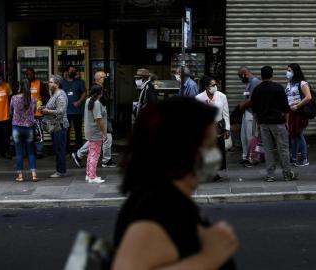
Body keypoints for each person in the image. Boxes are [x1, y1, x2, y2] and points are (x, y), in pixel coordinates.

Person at [112, 97, 238, 270]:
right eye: (209, 146)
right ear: (184, 149)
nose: (215, 155)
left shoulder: (170, 199)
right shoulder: (155, 210)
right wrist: (209, 258)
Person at [251, 66, 298, 182]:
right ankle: (287, 174)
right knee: (283, 149)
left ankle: (270, 175)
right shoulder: (278, 88)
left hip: (263, 124)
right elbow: (286, 108)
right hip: (278, 123)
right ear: (272, 75)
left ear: (261, 76)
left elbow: (255, 110)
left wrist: (258, 123)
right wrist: (286, 122)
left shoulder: (257, 90)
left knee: (268, 149)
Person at [71, 71, 117, 168]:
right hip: (99, 117)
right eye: (102, 77)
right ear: (97, 79)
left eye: (105, 77)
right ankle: (105, 160)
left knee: (99, 139)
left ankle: (79, 155)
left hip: (102, 116)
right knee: (105, 138)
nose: (105, 79)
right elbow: (98, 105)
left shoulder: (103, 88)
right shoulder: (96, 89)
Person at [196, 77, 230, 180]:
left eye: (216, 84)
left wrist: (227, 129)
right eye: (213, 85)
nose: (215, 87)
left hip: (218, 128)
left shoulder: (222, 96)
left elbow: (226, 114)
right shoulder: (198, 98)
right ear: (206, 87)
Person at [39, 75, 69, 178]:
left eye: (51, 82)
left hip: (60, 126)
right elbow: (53, 106)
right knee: (58, 149)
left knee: (60, 149)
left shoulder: (60, 95)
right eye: (49, 82)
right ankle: (60, 170)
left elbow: (61, 111)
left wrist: (47, 111)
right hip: (55, 126)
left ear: (57, 84)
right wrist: (44, 107)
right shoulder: (54, 94)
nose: (49, 84)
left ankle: (61, 171)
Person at [10, 79, 37, 182]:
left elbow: (11, 111)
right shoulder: (33, 99)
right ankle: (34, 174)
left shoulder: (14, 98)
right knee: (31, 152)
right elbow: (34, 112)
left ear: (20, 86)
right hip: (29, 128)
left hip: (16, 128)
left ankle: (20, 176)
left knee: (19, 152)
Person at [285, 63, 312, 166]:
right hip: (291, 112)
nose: (287, 72)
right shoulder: (289, 84)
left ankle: (304, 158)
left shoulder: (302, 83)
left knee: (299, 134)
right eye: (287, 70)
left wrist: (298, 105)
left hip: (299, 113)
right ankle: (294, 157)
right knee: (293, 135)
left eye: (290, 70)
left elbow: (308, 97)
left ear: (295, 72)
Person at [238, 67, 261, 167]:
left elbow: (252, 99)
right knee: (244, 137)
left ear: (244, 74)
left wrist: (242, 105)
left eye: (240, 77)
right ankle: (246, 157)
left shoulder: (254, 82)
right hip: (247, 112)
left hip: (252, 113)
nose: (241, 79)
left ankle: (253, 158)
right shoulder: (249, 83)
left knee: (250, 137)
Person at [84, 85, 107, 184]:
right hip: (95, 132)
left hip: (89, 130)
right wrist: (103, 132)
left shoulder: (88, 100)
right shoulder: (96, 103)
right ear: (100, 93)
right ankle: (92, 177)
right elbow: (98, 119)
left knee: (90, 154)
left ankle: (88, 174)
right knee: (95, 155)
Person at [61, 65, 86, 151]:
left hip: (77, 111)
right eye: (71, 71)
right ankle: (66, 149)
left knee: (78, 130)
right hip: (65, 111)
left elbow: (84, 93)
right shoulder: (62, 82)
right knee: (66, 131)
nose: (73, 72)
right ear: (67, 72)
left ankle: (79, 149)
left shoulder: (80, 82)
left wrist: (79, 101)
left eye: (74, 71)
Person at [25, 67, 50, 159]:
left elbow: (47, 96)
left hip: (37, 113)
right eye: (27, 74)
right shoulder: (24, 84)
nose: (29, 75)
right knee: (28, 133)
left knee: (39, 133)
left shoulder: (39, 83)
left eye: (31, 74)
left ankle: (39, 151)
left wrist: (41, 102)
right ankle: (29, 151)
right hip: (26, 114)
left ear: (34, 74)